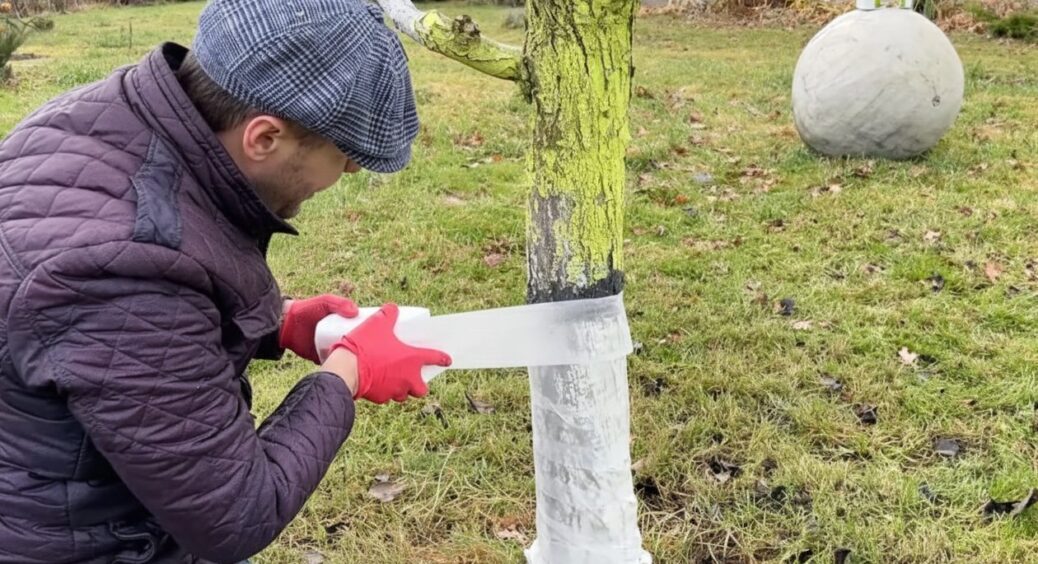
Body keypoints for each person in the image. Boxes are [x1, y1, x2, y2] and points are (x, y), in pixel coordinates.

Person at [0, 0, 450, 561]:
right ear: (263, 138)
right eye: (343, 153)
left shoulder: (109, 118)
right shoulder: (122, 265)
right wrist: (347, 372)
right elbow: (235, 515)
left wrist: (277, 324)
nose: (352, 170)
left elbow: (124, 335)